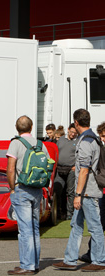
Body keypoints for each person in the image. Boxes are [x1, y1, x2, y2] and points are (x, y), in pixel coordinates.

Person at [53, 109, 105, 272]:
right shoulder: (93, 139)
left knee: (94, 227)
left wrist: (77, 194)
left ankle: (99, 260)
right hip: (87, 190)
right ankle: (70, 260)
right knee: (76, 225)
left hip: (87, 192)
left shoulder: (85, 141)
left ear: (76, 123)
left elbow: (84, 170)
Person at [6, 115, 49, 275]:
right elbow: (48, 164)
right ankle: (34, 263)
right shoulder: (40, 144)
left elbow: (10, 168)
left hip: (21, 188)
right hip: (36, 189)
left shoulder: (16, 143)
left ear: (17, 128)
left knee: (24, 230)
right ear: (31, 128)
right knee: (35, 228)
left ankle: (27, 265)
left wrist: (12, 188)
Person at [79, 121, 105, 264]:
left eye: (104, 136)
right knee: (99, 224)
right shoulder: (99, 147)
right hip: (102, 191)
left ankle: (95, 255)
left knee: (98, 225)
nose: (103, 139)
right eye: (102, 136)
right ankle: (91, 253)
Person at [53, 123, 78, 220]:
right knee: (58, 190)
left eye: (75, 133)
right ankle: (59, 213)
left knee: (70, 192)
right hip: (59, 168)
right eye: (72, 132)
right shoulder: (61, 140)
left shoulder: (78, 141)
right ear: (68, 130)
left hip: (71, 169)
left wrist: (76, 166)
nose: (73, 134)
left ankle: (69, 214)